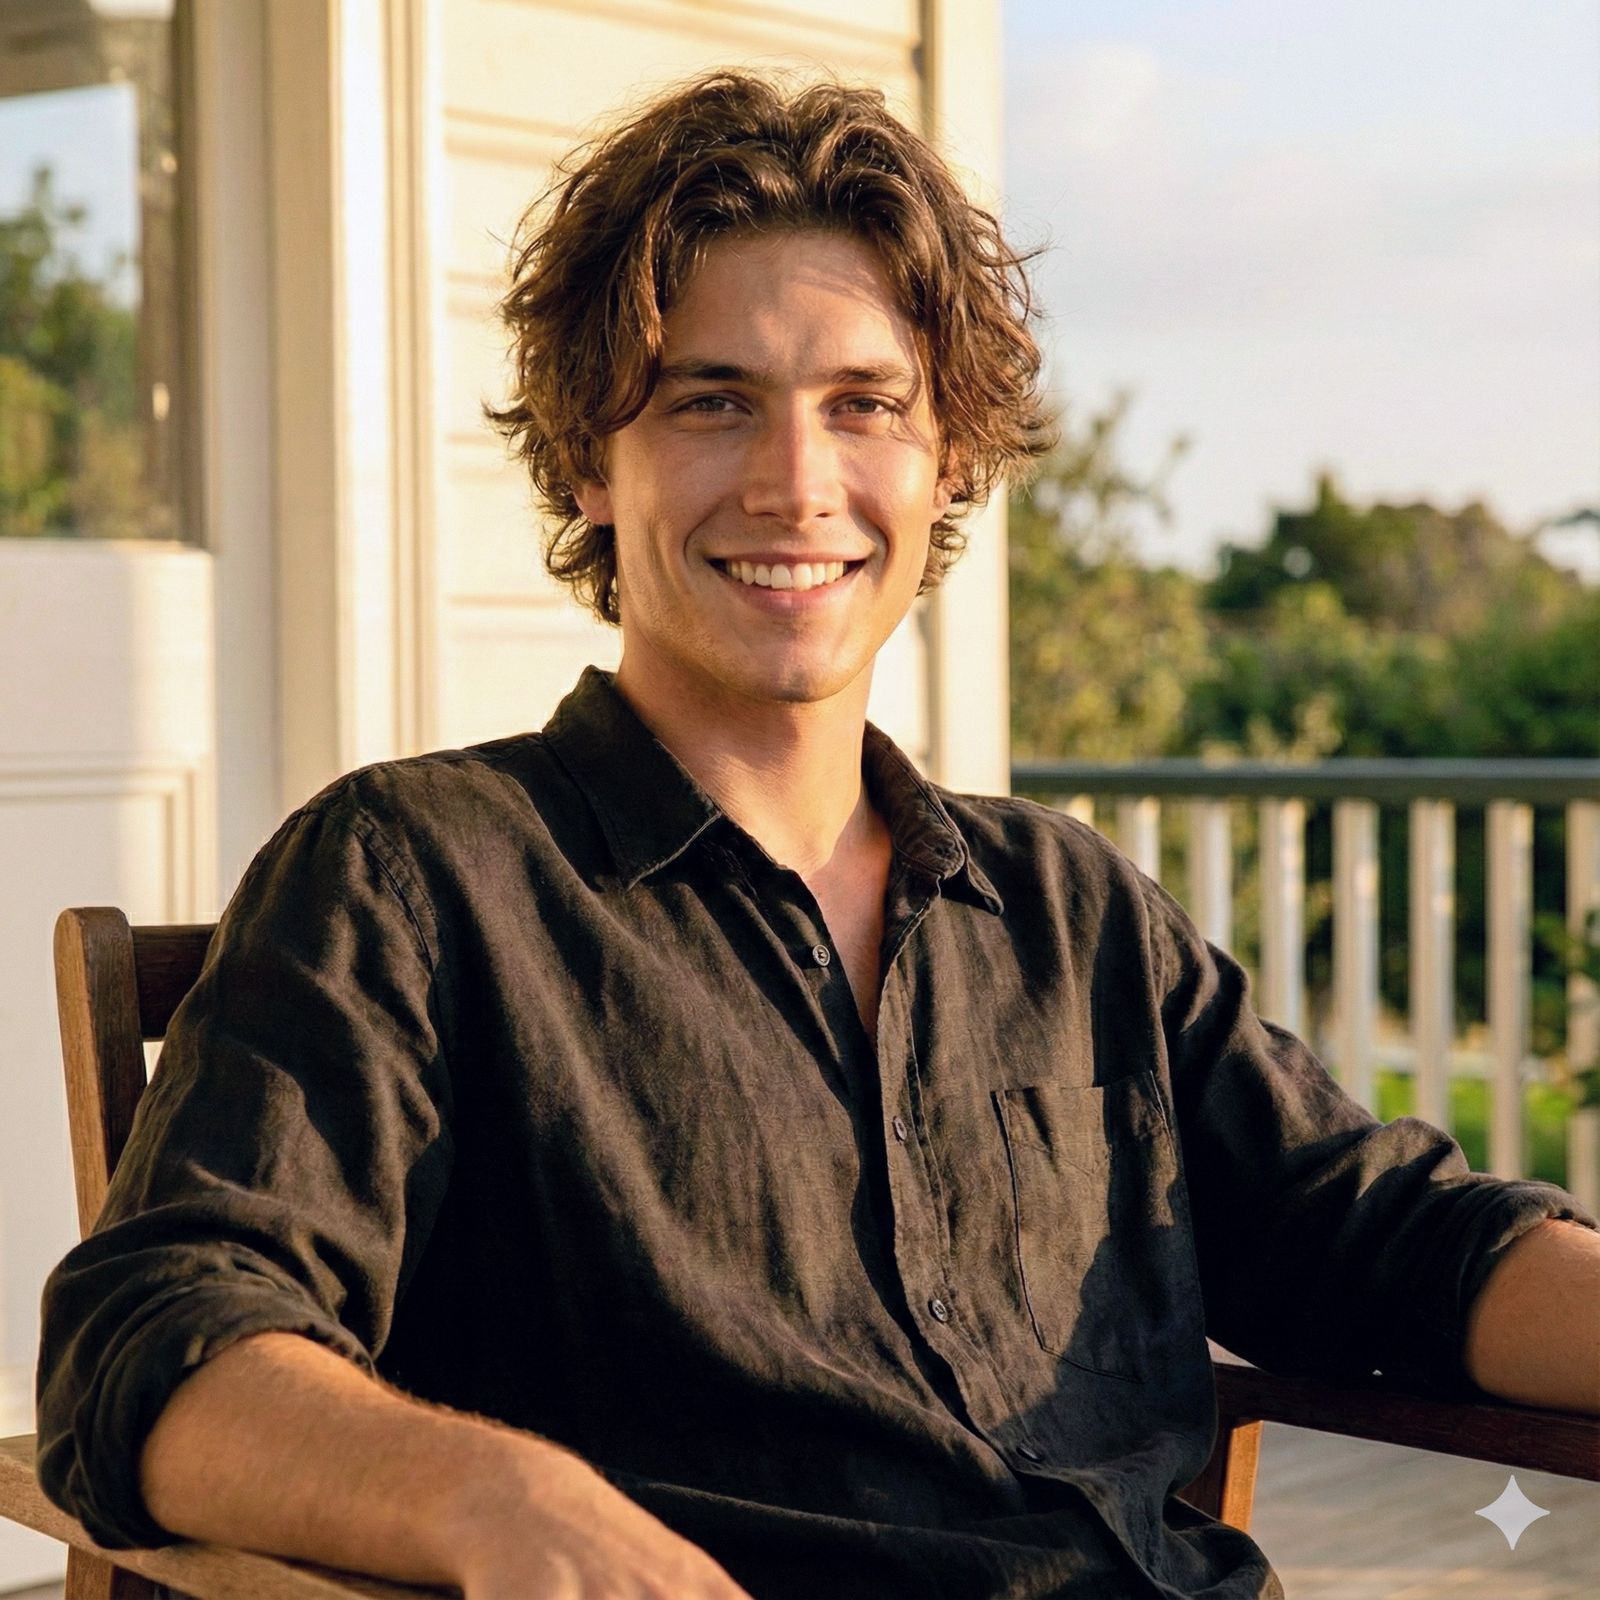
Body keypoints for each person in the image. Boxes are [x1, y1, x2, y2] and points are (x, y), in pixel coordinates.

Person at [36, 70, 1600, 1600]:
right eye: (713, 402)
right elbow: (155, 1331)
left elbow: (1391, 1239)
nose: (797, 486)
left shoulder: (1068, 910)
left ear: (944, 467)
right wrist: (498, 1500)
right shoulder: (418, 877)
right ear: (593, 458)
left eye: (866, 407)